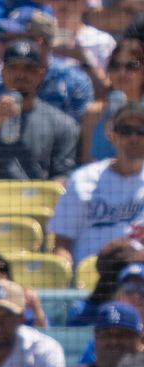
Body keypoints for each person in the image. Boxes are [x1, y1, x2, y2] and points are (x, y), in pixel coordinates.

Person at [0, 39, 78, 182]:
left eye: (28, 69)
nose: (20, 75)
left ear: (41, 74)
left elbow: (61, 180)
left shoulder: (63, 124)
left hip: (36, 202)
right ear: (3, 73)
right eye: (13, 68)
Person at [52, 102, 144, 268]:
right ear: (112, 135)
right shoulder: (83, 179)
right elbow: (62, 244)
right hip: (90, 279)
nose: (134, 138)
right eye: (126, 131)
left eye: (141, 131)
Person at [0, 7, 94, 124]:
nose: (6, 45)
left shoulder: (73, 82)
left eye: (13, 39)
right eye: (5, 39)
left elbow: (77, 135)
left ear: (40, 42)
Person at [81, 38, 144, 163]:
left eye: (131, 66)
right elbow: (85, 163)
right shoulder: (93, 113)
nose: (122, 72)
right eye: (115, 65)